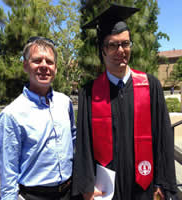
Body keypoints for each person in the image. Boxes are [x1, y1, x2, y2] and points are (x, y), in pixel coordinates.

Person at [72, 3, 178, 200]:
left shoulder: (150, 85)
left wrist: (163, 182)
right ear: (102, 50)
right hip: (106, 190)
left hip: (145, 186)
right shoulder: (89, 93)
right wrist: (86, 186)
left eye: (125, 43)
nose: (120, 50)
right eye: (113, 45)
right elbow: (84, 144)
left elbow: (163, 138)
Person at [0, 36, 76, 200]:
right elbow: (8, 171)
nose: (44, 66)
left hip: (70, 192)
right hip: (35, 195)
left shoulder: (65, 103)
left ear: (55, 68)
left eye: (49, 62)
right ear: (25, 65)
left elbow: (74, 142)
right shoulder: (12, 114)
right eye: (37, 60)